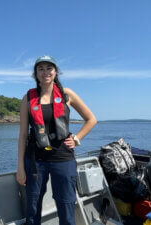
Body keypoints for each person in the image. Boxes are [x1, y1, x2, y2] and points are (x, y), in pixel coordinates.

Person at [16, 55, 97, 225]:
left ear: (55, 71)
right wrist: (20, 168)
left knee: (66, 205)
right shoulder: (27, 99)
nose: (45, 72)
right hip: (36, 161)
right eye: (41, 69)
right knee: (32, 208)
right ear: (35, 73)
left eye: (49, 68)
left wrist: (76, 138)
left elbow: (91, 119)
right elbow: (23, 135)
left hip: (63, 159)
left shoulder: (67, 94)